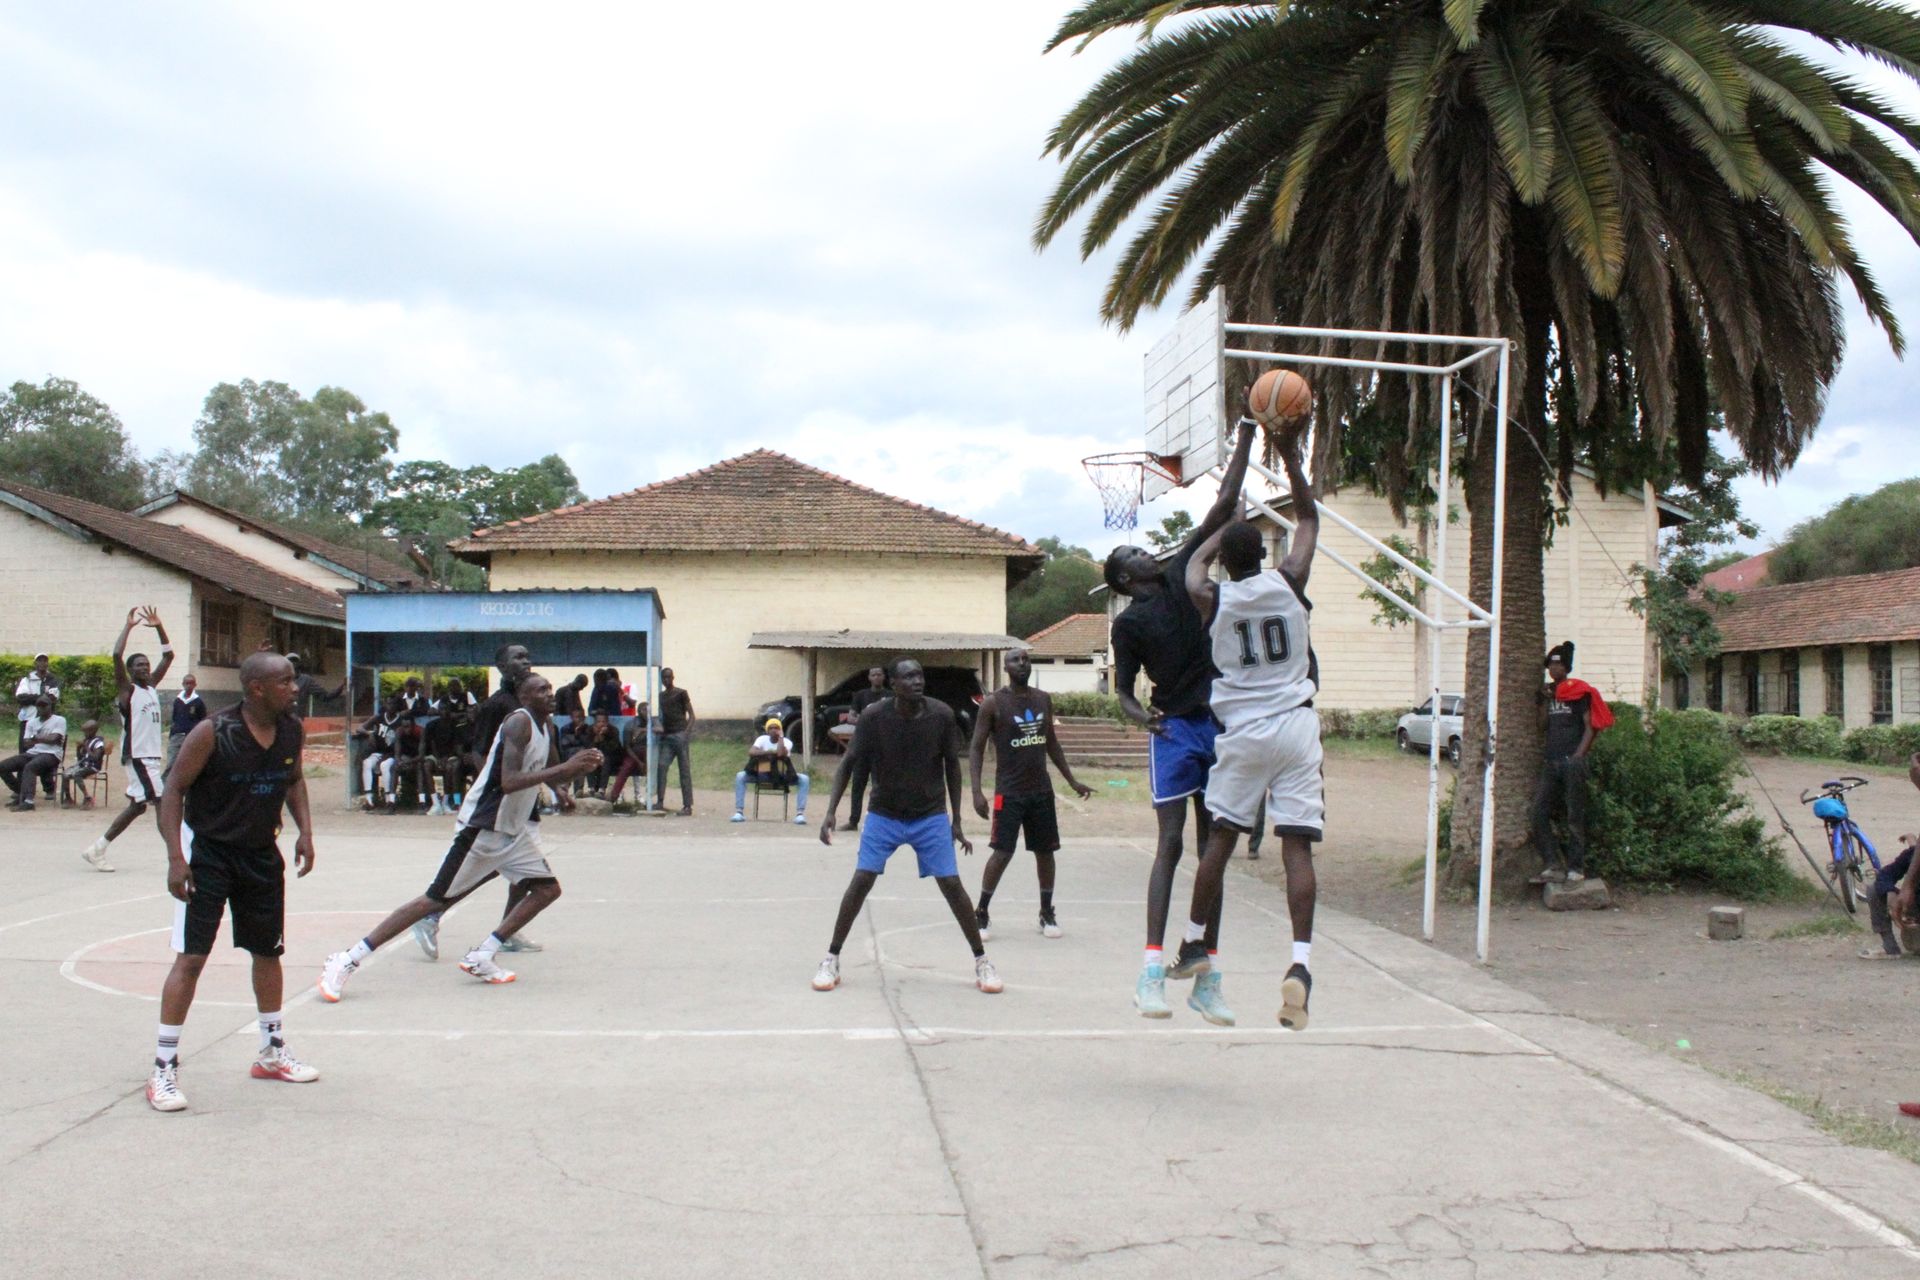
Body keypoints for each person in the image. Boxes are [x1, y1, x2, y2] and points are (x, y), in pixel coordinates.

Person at [317, 673, 603, 1001]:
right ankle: (347, 959)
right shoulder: (517, 724)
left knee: (547, 889)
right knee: (432, 900)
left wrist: (562, 789)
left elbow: (548, 765)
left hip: (512, 830)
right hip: (481, 827)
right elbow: (509, 781)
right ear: (524, 698)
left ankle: (483, 953)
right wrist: (565, 770)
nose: (550, 694)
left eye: (550, 688)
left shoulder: (546, 726)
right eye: (542, 690)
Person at [1104, 418, 1256, 1017]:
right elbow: (1122, 692)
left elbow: (1222, 506)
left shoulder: (1179, 574)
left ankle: (1205, 973)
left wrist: (1245, 440)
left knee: (1212, 847)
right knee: (1170, 842)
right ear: (1123, 575)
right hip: (1174, 730)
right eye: (1133, 551)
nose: (1146, 549)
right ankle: (1148, 970)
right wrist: (1143, 719)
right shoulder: (1127, 625)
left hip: (1217, 723)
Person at [146, 650, 319, 1112]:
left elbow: (294, 780)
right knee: (192, 958)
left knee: (268, 952)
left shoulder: (291, 728)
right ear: (256, 688)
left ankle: (271, 1050)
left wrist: (304, 831)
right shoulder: (212, 732)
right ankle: (163, 1067)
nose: (295, 687)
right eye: (285, 681)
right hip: (209, 856)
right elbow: (173, 791)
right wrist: (175, 858)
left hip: (261, 855)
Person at [1180, 469, 1322, 1029]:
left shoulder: (1210, 597)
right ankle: (1301, 963)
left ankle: (1194, 941)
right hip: (1295, 725)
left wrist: (1224, 525)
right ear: (1263, 553)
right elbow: (1308, 518)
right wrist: (1289, 448)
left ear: (1226, 561)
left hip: (1243, 731)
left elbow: (1193, 562)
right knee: (1297, 847)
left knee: (1220, 839)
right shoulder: (1288, 579)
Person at [810, 658, 1000, 995]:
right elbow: (849, 763)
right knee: (861, 880)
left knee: (952, 885)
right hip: (885, 814)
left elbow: (951, 769)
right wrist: (830, 811)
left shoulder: (941, 715)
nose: (917, 681)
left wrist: (956, 820)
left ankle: (982, 961)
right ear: (892, 684)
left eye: (920, 676)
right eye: (908, 676)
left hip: (929, 816)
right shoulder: (874, 717)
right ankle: (831, 958)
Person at [412, 643, 545, 959]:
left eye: (528, 656)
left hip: (522, 800)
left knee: (524, 870)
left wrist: (557, 787)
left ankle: (506, 930)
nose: (525, 661)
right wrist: (498, 786)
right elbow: (478, 750)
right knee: (498, 868)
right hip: (499, 803)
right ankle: (432, 912)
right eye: (518, 657)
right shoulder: (497, 706)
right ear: (501, 666)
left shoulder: (532, 703)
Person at [967, 648, 1093, 940]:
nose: (1021, 663)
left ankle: (1046, 912)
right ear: (1006, 667)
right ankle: (982, 912)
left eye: (1025, 659)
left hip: (1041, 791)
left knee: (1045, 852)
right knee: (1002, 852)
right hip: (1009, 792)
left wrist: (1072, 781)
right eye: (1015, 660)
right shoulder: (993, 703)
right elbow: (975, 748)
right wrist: (976, 792)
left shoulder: (1042, 699)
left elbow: (1051, 742)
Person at [81, 607, 176, 873]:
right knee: (161, 801)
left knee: (137, 807)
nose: (145, 668)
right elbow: (115, 654)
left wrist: (159, 626)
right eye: (139, 665)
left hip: (150, 757)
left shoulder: (151, 687)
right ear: (130, 671)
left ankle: (97, 848)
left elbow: (169, 656)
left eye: (146, 664)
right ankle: (177, 858)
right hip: (138, 756)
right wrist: (129, 627)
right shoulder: (128, 691)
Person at [1535, 641, 1612, 885]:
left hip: (1572, 762)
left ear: (1566, 667)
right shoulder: (1550, 693)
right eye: (1550, 665)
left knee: (1574, 817)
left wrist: (1578, 756)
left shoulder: (1578, 692)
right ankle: (1552, 863)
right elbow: (1542, 726)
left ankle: (1576, 868)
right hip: (1552, 762)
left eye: (1558, 664)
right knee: (1538, 812)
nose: (1553, 669)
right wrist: (1544, 702)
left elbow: (1591, 727)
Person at [732, 717, 810, 824]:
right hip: (761, 774)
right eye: (771, 728)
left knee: (804, 779)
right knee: (740, 776)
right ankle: (739, 812)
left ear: (781, 730)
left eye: (777, 728)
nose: (774, 730)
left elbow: (780, 753)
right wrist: (769, 753)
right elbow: (752, 752)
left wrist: (780, 738)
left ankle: (800, 814)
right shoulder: (761, 739)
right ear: (767, 731)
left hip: (781, 775)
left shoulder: (787, 742)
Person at [840, 667, 890, 831]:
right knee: (858, 785)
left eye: (879, 674)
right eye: (873, 674)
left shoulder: (890, 696)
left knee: (880, 785)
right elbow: (851, 717)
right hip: (862, 746)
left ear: (884, 677)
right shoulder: (861, 695)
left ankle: (881, 821)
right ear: (869, 677)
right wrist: (866, 719)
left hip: (882, 747)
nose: (876, 677)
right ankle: (853, 821)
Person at [1, 693, 65, 810]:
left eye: (44, 705)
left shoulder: (59, 720)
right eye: (39, 706)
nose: (41, 708)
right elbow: (26, 743)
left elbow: (54, 739)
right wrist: (43, 739)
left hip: (52, 754)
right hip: (33, 752)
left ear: (50, 706)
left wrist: (35, 738)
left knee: (30, 767)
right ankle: (21, 793)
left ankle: (29, 801)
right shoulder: (31, 722)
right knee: (3, 766)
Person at [654, 667, 696, 815]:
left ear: (673, 678)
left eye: (668, 677)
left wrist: (686, 733)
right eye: (663, 678)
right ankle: (660, 801)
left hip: (680, 735)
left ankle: (687, 806)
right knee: (661, 766)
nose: (666, 680)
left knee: (684, 770)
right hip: (667, 737)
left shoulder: (681, 693)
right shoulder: (661, 696)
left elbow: (691, 715)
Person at [351, 695, 404, 809]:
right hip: (379, 752)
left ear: (397, 706)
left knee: (385, 766)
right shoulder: (379, 718)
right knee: (367, 763)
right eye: (388, 704)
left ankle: (388, 799)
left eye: (393, 704)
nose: (390, 707)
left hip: (393, 754)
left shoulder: (400, 720)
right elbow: (360, 728)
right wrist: (369, 733)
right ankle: (369, 799)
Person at [14, 652, 60, 752]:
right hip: (28, 718)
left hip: (46, 720)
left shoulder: (52, 680)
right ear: (35, 664)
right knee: (25, 748)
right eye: (40, 661)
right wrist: (41, 698)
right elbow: (21, 697)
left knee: (43, 748)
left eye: (45, 661)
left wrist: (32, 698)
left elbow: (52, 698)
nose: (42, 663)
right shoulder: (27, 679)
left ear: (47, 664)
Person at [605, 709, 651, 806]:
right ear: (639, 712)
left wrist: (643, 730)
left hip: (649, 753)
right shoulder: (630, 725)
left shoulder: (652, 722)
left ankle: (649, 799)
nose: (647, 713)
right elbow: (627, 747)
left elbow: (660, 729)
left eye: (648, 711)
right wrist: (639, 762)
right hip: (634, 754)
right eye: (645, 711)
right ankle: (614, 796)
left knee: (653, 768)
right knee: (626, 768)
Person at [61, 719, 108, 807]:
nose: (85, 734)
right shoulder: (86, 740)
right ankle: (68, 798)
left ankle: (87, 797)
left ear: (93, 731)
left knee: (77, 774)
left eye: (86, 732)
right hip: (83, 765)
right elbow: (80, 758)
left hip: (93, 767)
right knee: (65, 774)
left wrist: (86, 747)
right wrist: (78, 749)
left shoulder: (98, 743)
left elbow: (95, 758)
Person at [168, 674, 207, 765]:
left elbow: (203, 720)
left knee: (189, 763)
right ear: (183, 684)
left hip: (191, 736)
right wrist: (172, 733)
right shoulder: (178, 700)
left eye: (191, 683)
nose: (189, 685)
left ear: (195, 685)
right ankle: (167, 779)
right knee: (171, 762)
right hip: (177, 736)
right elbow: (174, 717)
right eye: (187, 683)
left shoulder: (198, 702)